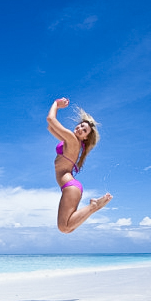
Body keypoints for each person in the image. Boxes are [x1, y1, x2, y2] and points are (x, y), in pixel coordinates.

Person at [47, 97, 112, 233]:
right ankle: (93, 207)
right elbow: (50, 127)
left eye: (85, 129)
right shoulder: (72, 141)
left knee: (64, 227)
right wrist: (56, 112)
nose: (80, 128)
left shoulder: (71, 139)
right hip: (70, 187)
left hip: (70, 186)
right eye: (81, 125)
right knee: (67, 228)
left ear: (86, 137)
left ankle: (93, 206)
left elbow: (50, 120)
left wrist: (56, 104)